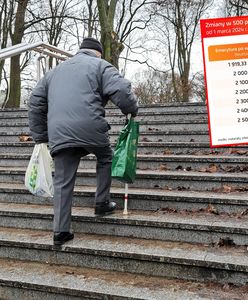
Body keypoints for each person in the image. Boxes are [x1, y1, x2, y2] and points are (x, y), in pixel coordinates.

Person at [28, 37, 138, 246]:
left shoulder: (53, 73)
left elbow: (35, 103)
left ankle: (60, 232)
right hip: (90, 127)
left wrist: (41, 136)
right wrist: (131, 110)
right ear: (98, 53)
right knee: (106, 157)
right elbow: (122, 91)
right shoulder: (101, 65)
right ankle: (101, 202)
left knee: (62, 181)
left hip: (59, 133)